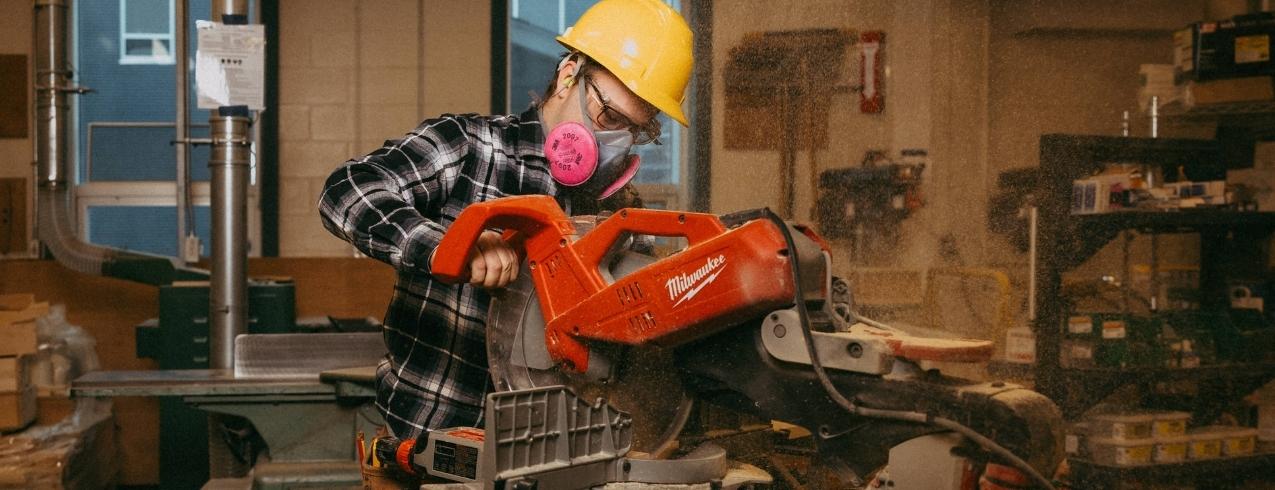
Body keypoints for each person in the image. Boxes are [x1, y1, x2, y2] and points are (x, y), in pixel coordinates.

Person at [317, 0, 694, 440]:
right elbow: (347, 189)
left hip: (556, 456)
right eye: (609, 116)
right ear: (569, 73)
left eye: (637, 129)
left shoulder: (619, 212)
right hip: (433, 450)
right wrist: (446, 245)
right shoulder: (469, 148)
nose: (616, 140)